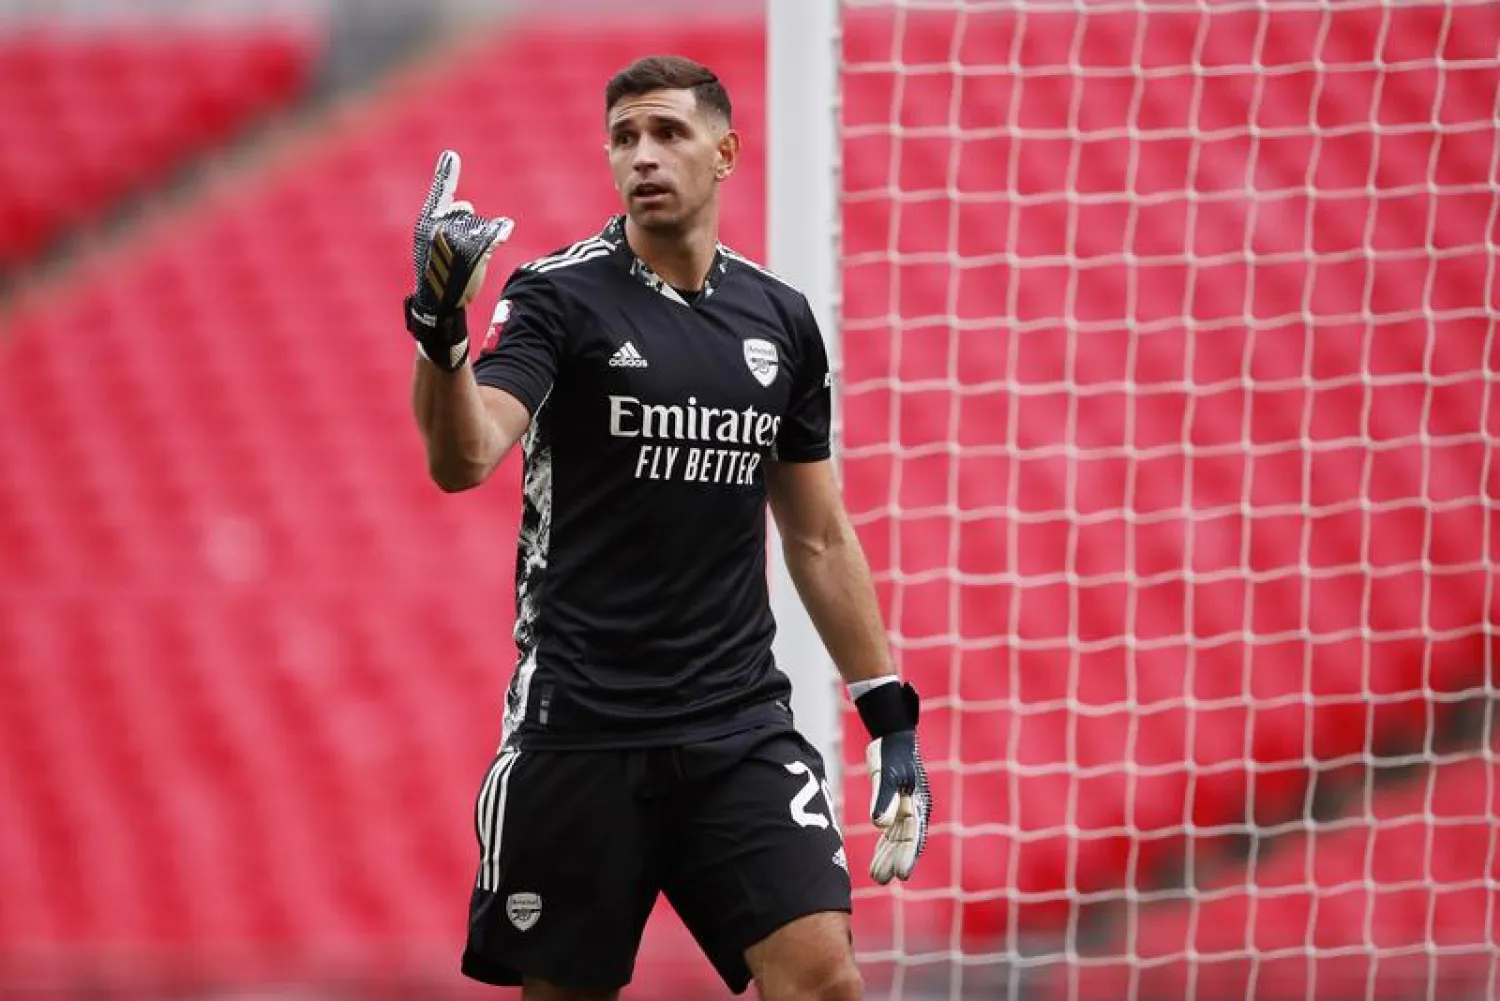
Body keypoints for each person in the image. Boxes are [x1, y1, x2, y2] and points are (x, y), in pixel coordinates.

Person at [401, 55, 931, 1001]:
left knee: (825, 977)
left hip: (735, 722)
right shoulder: (558, 297)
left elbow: (816, 535)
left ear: (725, 152)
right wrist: (441, 332)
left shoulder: (781, 321)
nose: (643, 156)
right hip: (583, 725)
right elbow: (466, 455)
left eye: (669, 134)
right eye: (624, 138)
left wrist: (889, 715)